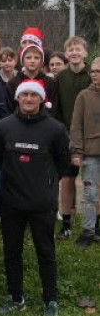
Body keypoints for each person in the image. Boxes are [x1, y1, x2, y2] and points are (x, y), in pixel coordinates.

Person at [0, 80, 70, 316]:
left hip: (42, 204)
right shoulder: (4, 126)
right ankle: (16, 298)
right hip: (11, 202)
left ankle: (50, 301)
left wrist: (45, 185)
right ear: (17, 98)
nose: (28, 99)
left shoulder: (56, 129)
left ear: (41, 99)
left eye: (33, 95)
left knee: (46, 252)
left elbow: (63, 163)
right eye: (24, 94)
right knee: (11, 253)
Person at [53, 36, 90, 239]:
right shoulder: (60, 77)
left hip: (91, 136)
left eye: (78, 49)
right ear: (66, 54)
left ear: (85, 52)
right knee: (67, 179)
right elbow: (56, 108)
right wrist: (63, 132)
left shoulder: (92, 74)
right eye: (71, 50)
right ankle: (66, 222)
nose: (74, 53)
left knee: (93, 180)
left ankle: (93, 223)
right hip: (67, 136)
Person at [71, 58, 100, 248]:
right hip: (91, 154)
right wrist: (77, 152)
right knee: (89, 193)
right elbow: (76, 126)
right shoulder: (83, 96)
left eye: (99, 71)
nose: (94, 74)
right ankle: (88, 231)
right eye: (93, 71)